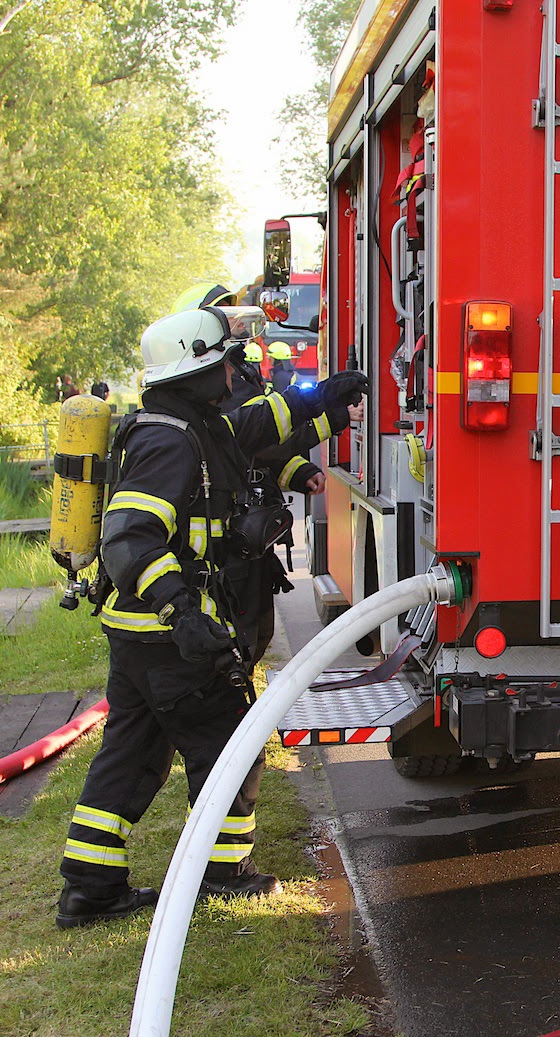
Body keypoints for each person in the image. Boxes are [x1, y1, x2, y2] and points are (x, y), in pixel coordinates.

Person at [54, 305, 367, 929]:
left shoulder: (187, 424)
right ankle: (224, 875)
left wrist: (325, 406)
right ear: (198, 369)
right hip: (172, 634)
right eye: (225, 361)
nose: (235, 372)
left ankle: (89, 887)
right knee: (230, 745)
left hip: (139, 634)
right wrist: (181, 613)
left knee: (131, 753)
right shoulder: (170, 441)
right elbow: (131, 539)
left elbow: (252, 432)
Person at [223, 342, 362, 666]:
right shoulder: (220, 395)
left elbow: (258, 455)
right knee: (242, 635)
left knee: (256, 633)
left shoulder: (241, 377)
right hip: (232, 544)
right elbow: (267, 438)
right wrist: (333, 411)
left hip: (244, 538)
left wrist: (299, 473)